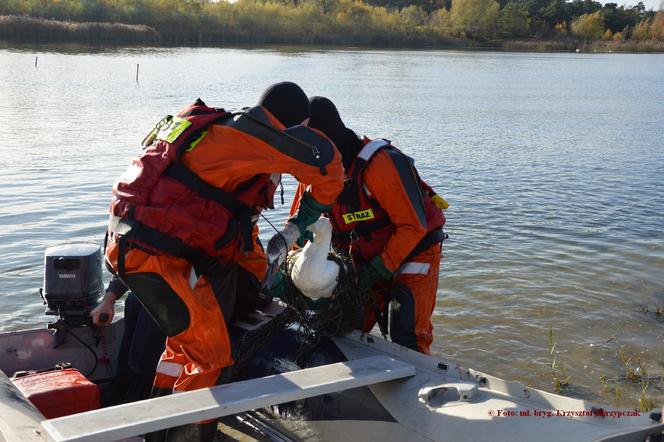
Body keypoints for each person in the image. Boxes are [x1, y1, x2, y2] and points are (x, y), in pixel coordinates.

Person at [103, 82, 344, 442]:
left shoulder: (221, 134)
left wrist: (264, 277)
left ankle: (161, 429)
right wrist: (303, 220)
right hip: (154, 259)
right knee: (211, 355)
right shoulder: (254, 138)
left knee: (182, 347)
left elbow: (228, 221)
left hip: (141, 249)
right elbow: (329, 166)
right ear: (299, 124)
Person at [288, 96, 447, 355]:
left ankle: (414, 386)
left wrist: (378, 270)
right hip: (363, 260)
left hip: (413, 253)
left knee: (406, 335)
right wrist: (290, 268)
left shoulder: (379, 164)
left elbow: (412, 227)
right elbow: (298, 230)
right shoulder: (314, 177)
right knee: (340, 328)